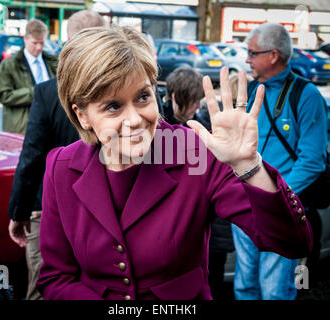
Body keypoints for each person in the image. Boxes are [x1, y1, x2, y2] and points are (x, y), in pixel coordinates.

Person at [36, 25, 312, 300]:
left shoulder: (195, 152)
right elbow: (56, 278)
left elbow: (292, 242)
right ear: (82, 115)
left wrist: (249, 165)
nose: (134, 120)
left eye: (143, 97)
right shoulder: (61, 167)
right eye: (113, 106)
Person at [7, 11, 106, 300]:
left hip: (51, 211)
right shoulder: (124, 89)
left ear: (69, 41)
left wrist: (18, 212)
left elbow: (32, 156)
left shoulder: (49, 91)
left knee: (44, 288)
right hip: (106, 214)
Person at [232, 23, 328, 300]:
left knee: (275, 291)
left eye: (252, 52)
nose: (247, 58)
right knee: (244, 287)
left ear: (273, 55)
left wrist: (277, 197)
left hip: (281, 209)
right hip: (246, 205)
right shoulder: (248, 91)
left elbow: (312, 161)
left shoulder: (306, 95)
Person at [162, 66, 235, 299]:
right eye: (194, 101)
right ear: (175, 98)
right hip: (175, 234)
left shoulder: (204, 125)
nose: (198, 106)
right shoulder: (156, 131)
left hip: (210, 229)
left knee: (211, 281)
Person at [0, 19, 57, 134]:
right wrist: (37, 92)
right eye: (35, 43)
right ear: (25, 40)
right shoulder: (9, 65)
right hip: (22, 130)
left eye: (42, 43)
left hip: (50, 130)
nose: (39, 47)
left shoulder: (52, 62)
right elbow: (3, 95)